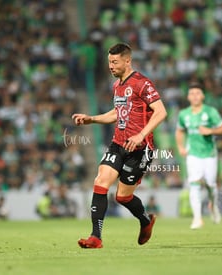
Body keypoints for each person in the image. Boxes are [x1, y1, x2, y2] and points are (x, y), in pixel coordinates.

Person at [72, 43, 167, 248]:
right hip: (118, 144)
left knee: (123, 197)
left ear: (127, 60)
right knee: (101, 181)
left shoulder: (142, 83)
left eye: (115, 62)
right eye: (109, 62)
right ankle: (96, 237)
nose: (111, 66)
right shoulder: (117, 86)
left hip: (140, 149)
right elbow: (117, 113)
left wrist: (141, 135)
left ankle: (146, 220)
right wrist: (92, 119)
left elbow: (161, 112)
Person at [175, 83, 222, 229]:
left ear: (203, 96)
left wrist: (211, 131)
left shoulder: (210, 112)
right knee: (194, 183)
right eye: (192, 93)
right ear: (188, 97)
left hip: (209, 154)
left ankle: (213, 206)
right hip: (193, 154)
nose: (195, 96)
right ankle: (197, 218)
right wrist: (180, 146)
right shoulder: (183, 114)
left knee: (211, 185)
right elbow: (179, 131)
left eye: (198, 93)